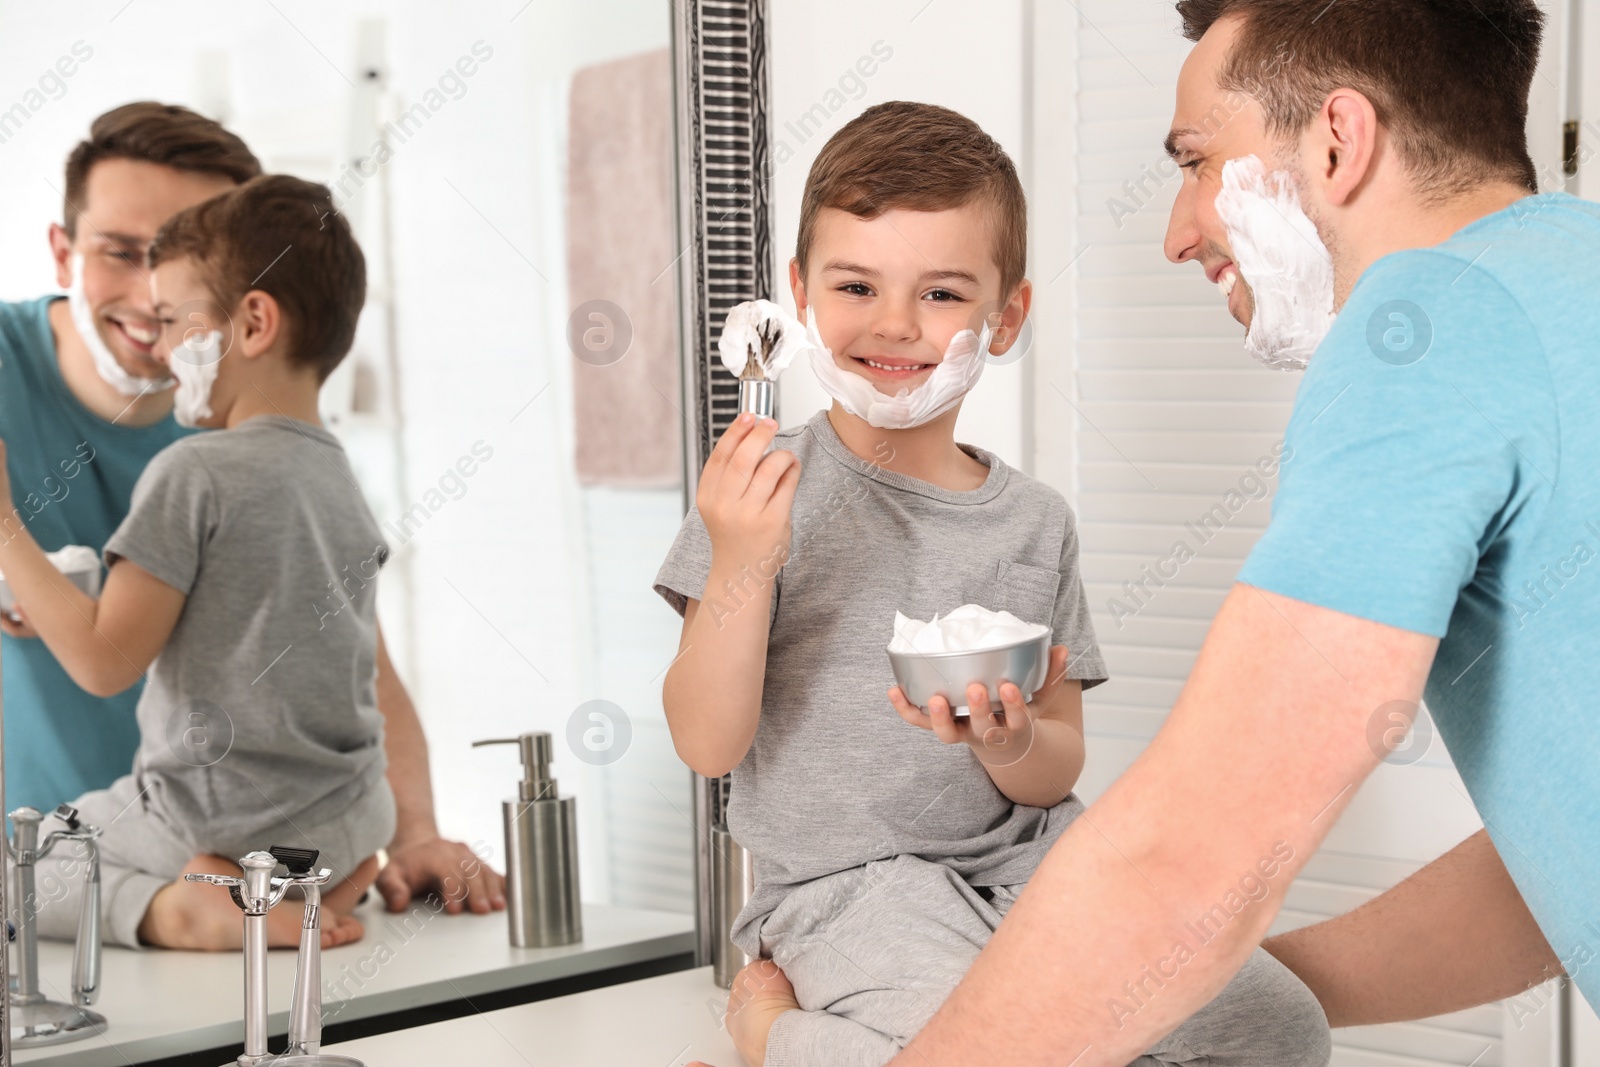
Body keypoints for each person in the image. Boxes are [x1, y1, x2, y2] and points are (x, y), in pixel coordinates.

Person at [873, 1, 1593, 1062]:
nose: (1176, 233)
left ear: (1339, 141)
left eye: (1198, 161)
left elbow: (1189, 858)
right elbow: (1561, 865)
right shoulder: (1568, 277)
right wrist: (1200, 990)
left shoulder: (1424, 326)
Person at [659, 102, 1329, 1067]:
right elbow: (705, 740)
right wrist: (741, 559)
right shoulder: (758, 496)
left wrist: (1011, 742)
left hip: (1039, 863)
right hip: (850, 889)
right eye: (856, 285)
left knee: (1277, 1027)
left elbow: (1057, 764)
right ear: (801, 294)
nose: (894, 323)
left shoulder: (1035, 521)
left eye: (939, 294)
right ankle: (773, 1036)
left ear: (1004, 316)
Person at [0, 102, 502, 915]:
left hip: (178, 845)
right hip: (309, 842)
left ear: (254, 316)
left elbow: (359, 661)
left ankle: (183, 913)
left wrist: (420, 830)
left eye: (174, 290)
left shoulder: (198, 459)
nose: (150, 316)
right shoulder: (323, 463)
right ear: (62, 250)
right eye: (122, 252)